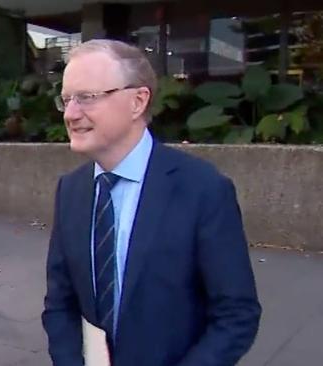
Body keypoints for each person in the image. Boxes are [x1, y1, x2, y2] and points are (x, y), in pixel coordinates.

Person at [42, 39, 261, 366]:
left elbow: (236, 314)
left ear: (137, 101)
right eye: (67, 100)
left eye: (86, 97)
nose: (71, 114)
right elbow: (60, 303)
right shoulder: (71, 190)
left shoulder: (203, 190)